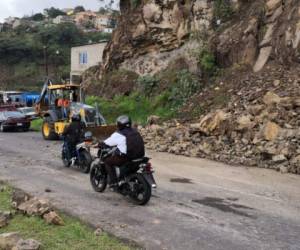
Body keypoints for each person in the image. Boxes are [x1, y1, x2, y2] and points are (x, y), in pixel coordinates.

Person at [102, 115, 145, 187]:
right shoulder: (135, 131)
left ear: (119, 124)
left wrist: (100, 144)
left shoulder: (119, 134)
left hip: (127, 157)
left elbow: (107, 142)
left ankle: (113, 182)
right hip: (140, 155)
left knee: (107, 161)